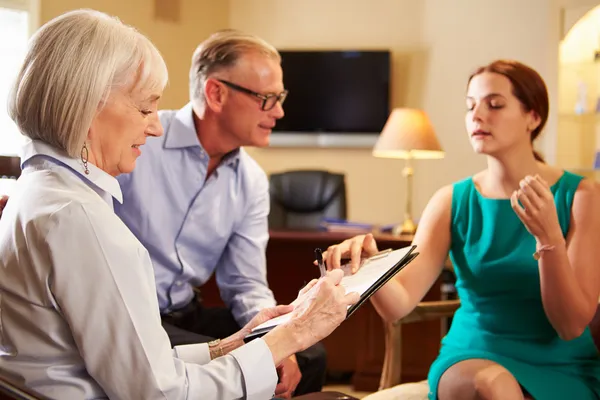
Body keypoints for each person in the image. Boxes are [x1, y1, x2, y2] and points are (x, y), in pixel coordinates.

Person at [0, 9, 358, 399]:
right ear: (89, 104)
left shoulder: (40, 191)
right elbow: (162, 393)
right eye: (144, 108)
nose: (155, 126)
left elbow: (140, 367)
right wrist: (293, 333)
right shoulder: (79, 217)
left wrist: (235, 343)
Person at [323, 60, 600, 400]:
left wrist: (549, 239)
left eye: (494, 105)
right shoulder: (452, 201)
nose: (477, 116)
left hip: (562, 365)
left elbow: (571, 325)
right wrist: (368, 267)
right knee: (494, 383)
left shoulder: (581, 196)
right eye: (470, 106)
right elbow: (400, 304)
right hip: (473, 358)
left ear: (534, 117)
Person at [112, 29, 324, 397]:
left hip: (183, 312)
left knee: (308, 354)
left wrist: (279, 340)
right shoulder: (139, 141)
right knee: (247, 362)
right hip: (127, 317)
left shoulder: (252, 182)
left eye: (280, 97)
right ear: (216, 93)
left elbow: (245, 284)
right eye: (267, 98)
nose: (279, 111)